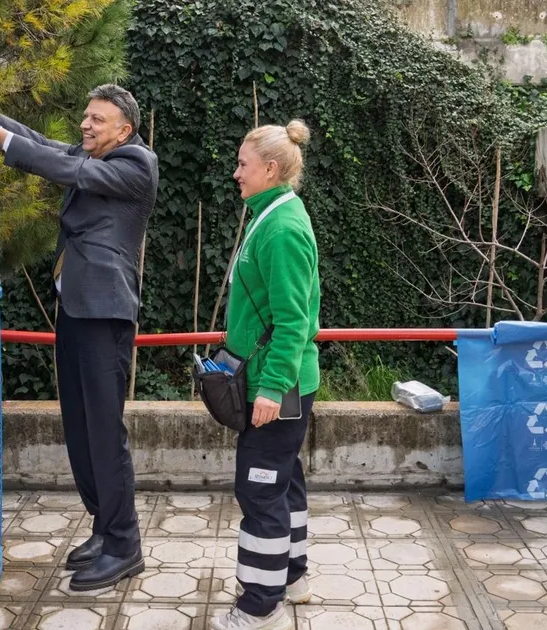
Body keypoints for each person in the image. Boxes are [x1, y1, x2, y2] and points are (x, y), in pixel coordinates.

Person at [0, 85, 158, 591]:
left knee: (105, 432)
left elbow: (70, 170)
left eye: (97, 120)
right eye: (85, 116)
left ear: (123, 130)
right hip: (76, 310)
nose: (85, 126)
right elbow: (42, 142)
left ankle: (126, 544)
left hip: (105, 313)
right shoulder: (96, 153)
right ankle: (104, 528)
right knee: (80, 429)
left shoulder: (135, 163)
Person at [210, 120, 321, 630]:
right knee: (282, 481)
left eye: (243, 165)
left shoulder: (282, 228)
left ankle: (260, 603)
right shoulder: (270, 215)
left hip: (277, 386)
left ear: (271, 169)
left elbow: (295, 321)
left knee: (259, 489)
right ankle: (292, 576)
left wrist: (273, 387)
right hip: (271, 381)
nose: (236, 173)